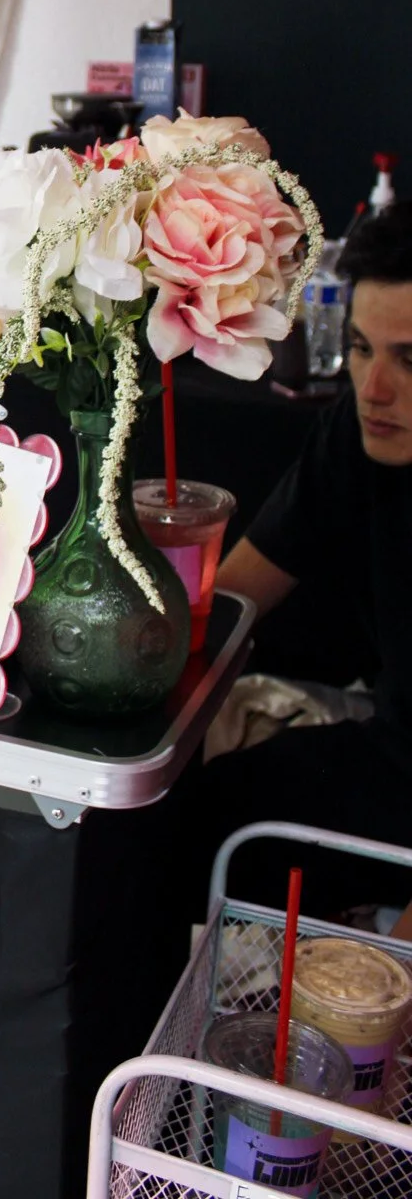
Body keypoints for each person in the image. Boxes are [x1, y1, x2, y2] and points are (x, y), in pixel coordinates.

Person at [195, 202, 412, 915]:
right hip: (391, 747)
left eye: (410, 360)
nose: (374, 389)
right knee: (176, 823)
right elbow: (232, 598)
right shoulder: (356, 430)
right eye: (360, 348)